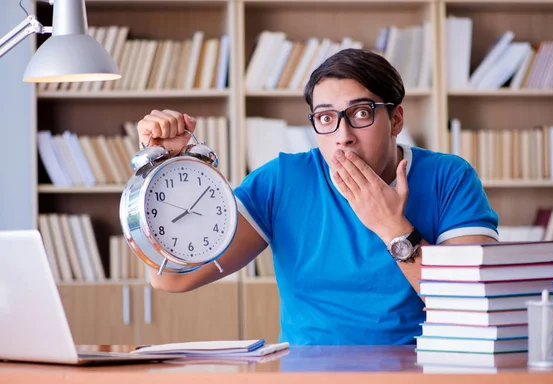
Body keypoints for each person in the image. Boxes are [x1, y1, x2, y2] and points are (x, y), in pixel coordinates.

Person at [136, 48, 499, 345]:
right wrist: (162, 170)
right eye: (326, 118)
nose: (343, 136)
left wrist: (392, 228)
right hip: (308, 380)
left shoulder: (449, 177)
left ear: (397, 120)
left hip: (419, 375)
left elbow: (472, 306)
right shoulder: (282, 181)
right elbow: (171, 278)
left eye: (361, 113)